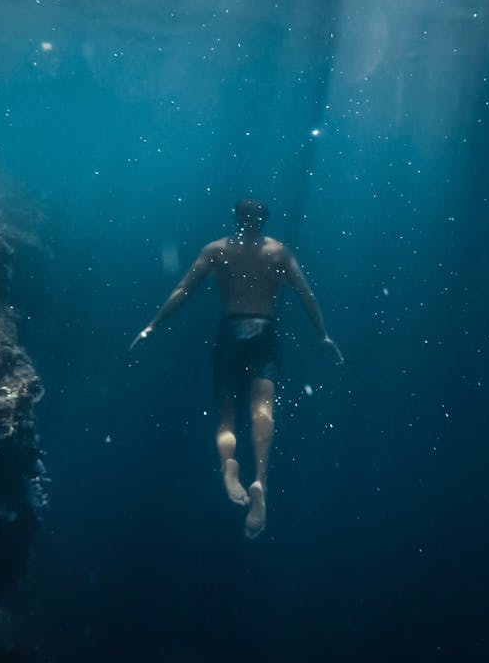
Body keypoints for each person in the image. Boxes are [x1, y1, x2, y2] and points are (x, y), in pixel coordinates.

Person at [130, 198, 343, 538]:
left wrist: (153, 325)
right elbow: (305, 293)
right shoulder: (279, 252)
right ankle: (261, 479)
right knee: (262, 407)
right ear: (263, 220)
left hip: (231, 329)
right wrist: (323, 335)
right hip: (264, 329)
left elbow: (184, 288)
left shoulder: (217, 250)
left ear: (236, 218)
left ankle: (228, 465)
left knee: (227, 412)